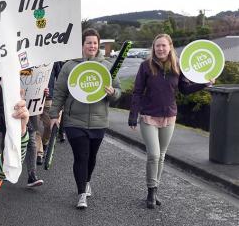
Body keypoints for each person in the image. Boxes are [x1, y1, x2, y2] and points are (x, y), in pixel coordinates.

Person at [128, 33, 213, 208]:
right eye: (157, 46)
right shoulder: (145, 66)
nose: (160, 49)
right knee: (154, 154)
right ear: (154, 48)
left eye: (163, 46)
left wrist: (204, 84)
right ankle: (151, 192)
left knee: (162, 156)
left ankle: (155, 189)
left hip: (169, 116)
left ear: (170, 47)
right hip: (148, 116)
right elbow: (137, 92)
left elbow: (185, 90)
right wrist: (133, 115)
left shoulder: (177, 66)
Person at [49, 28, 121, 209]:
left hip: (99, 120)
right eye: (88, 42)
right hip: (74, 120)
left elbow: (119, 91)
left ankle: (87, 180)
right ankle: (81, 193)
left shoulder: (107, 66)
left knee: (91, 157)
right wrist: (54, 115)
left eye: (95, 43)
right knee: (81, 156)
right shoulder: (70, 66)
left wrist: (113, 93)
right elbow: (59, 92)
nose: (92, 46)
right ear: (82, 45)